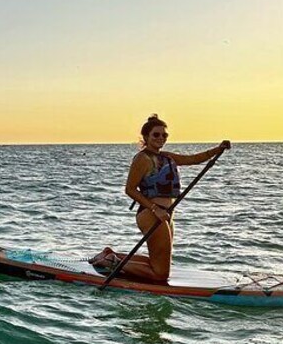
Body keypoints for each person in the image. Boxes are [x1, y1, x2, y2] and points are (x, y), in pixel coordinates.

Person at [91, 115, 231, 283]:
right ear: (146, 137)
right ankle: (110, 262)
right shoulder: (142, 159)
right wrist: (155, 209)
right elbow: (130, 189)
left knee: (158, 263)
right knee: (161, 274)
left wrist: (217, 149)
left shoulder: (166, 157)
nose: (161, 138)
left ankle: (110, 254)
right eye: (156, 135)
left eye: (164, 135)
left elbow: (192, 159)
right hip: (151, 213)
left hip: (166, 214)